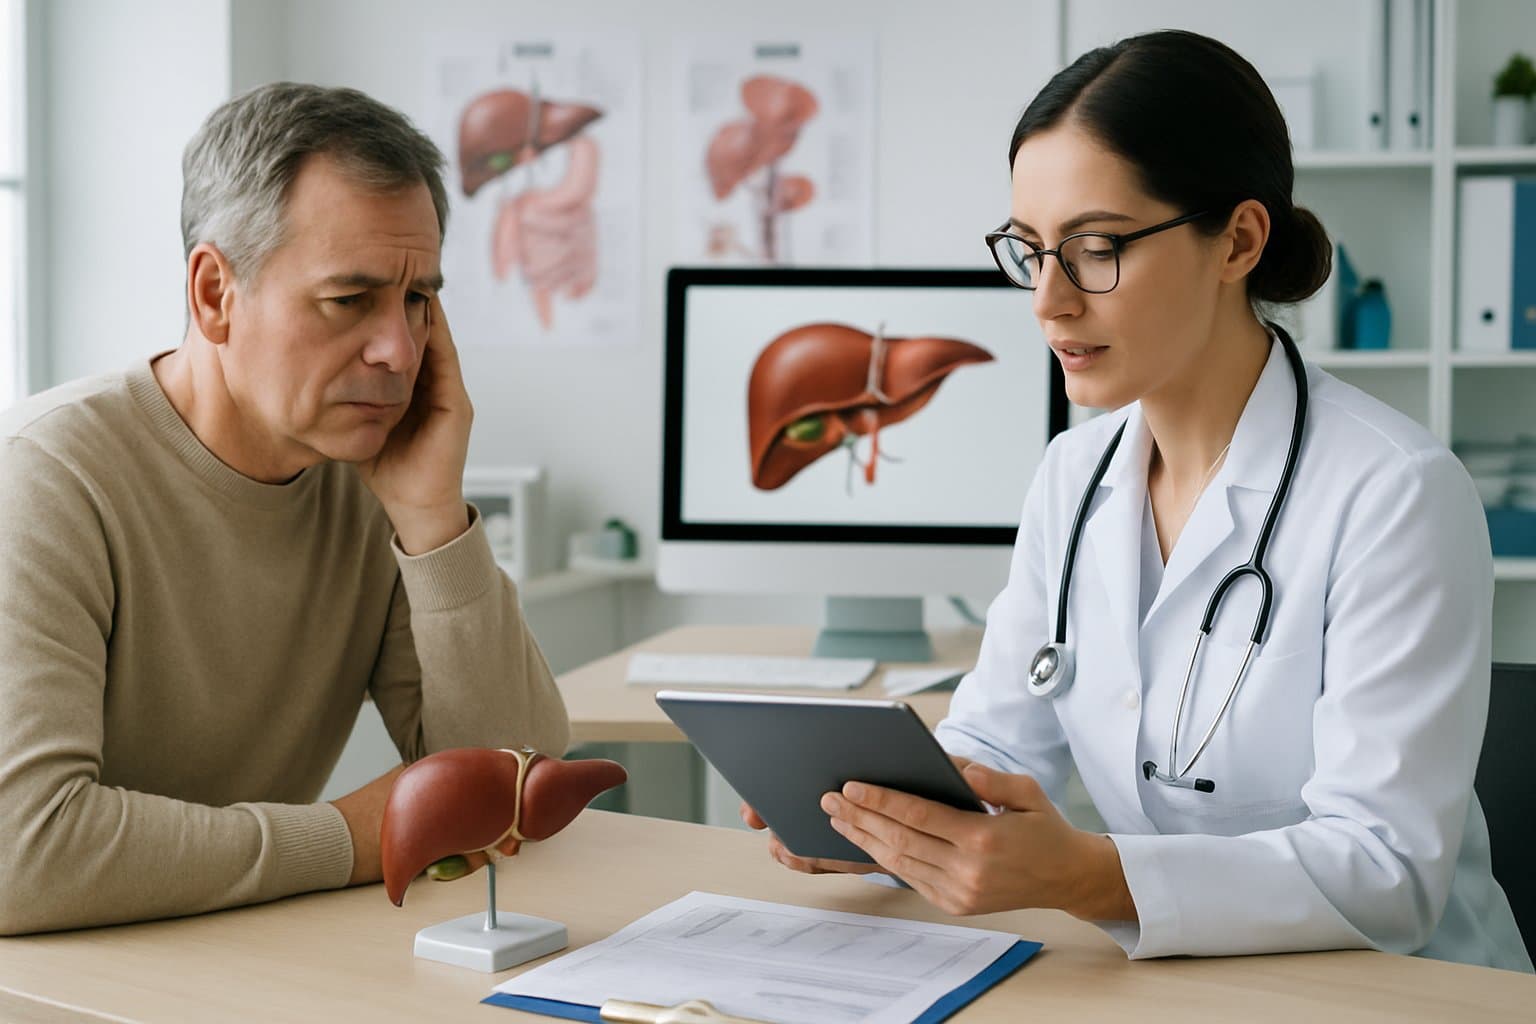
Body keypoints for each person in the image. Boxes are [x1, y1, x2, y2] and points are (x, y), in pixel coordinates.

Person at [744, 30, 1533, 972]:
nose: (1048, 301)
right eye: (1029, 251)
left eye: (1095, 248)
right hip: (1174, 984)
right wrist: (888, 825)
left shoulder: (1394, 493)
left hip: (1401, 992)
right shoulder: (1073, 480)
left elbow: (1388, 868)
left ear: (1238, 239)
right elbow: (1000, 743)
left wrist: (1085, 876)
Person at [0, 82, 569, 935]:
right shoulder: (45, 479)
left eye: (418, 301)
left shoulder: (369, 475)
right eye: (351, 300)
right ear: (214, 295)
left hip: (232, 952)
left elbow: (514, 783)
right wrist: (355, 837)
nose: (398, 350)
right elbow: (21, 855)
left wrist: (433, 518)